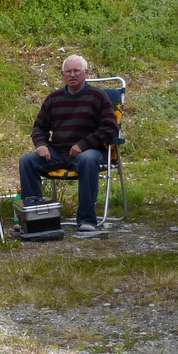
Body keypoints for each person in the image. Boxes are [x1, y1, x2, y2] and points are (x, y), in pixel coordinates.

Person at [18, 54, 118, 237]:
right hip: (57, 152)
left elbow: (110, 127)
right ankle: (34, 219)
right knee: (27, 161)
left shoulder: (98, 96)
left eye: (77, 71)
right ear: (63, 74)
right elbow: (39, 128)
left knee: (88, 160)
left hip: (88, 152)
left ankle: (87, 220)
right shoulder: (53, 98)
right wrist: (41, 144)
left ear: (86, 73)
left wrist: (83, 144)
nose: (72, 75)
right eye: (68, 71)